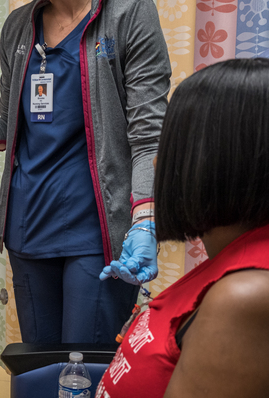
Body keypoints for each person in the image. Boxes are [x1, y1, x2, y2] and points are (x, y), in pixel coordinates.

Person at [0, 0, 170, 344]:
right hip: (29, 227)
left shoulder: (128, 13)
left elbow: (149, 134)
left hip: (96, 231)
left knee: (84, 370)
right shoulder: (19, 26)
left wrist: (145, 220)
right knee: (41, 367)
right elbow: (10, 127)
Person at [96, 58, 269, 397]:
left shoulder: (246, 296)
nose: (158, 162)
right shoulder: (230, 261)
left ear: (218, 160)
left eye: (172, 145)